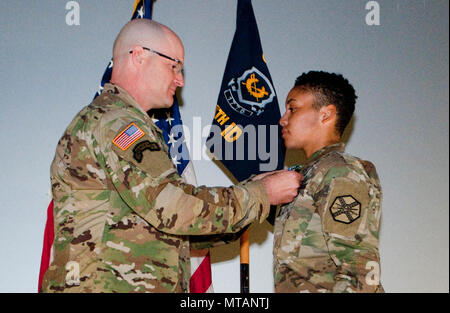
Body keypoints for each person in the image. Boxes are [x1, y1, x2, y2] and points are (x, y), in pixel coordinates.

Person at [40, 19, 301, 293]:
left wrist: (254, 196)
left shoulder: (116, 120)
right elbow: (172, 206)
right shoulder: (117, 122)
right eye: (173, 66)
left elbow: (168, 230)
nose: (180, 79)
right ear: (139, 56)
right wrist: (260, 194)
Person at [273, 71, 383, 292]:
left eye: (292, 109)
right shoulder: (310, 174)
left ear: (326, 114)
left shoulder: (340, 172)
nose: (283, 119)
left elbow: (358, 271)